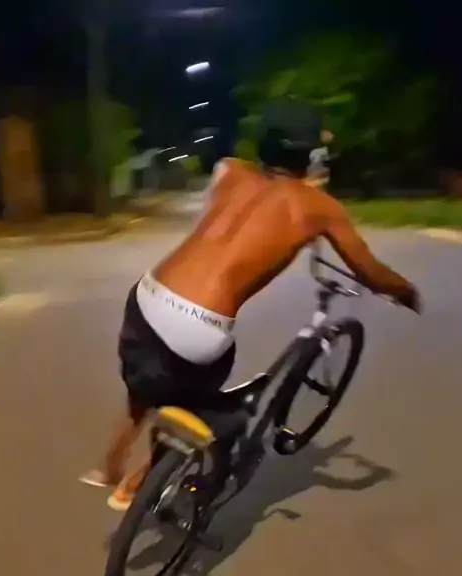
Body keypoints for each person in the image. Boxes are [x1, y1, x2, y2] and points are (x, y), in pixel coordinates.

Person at [81, 97, 421, 511]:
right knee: (205, 412)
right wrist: (406, 293)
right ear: (311, 156)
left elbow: (245, 205)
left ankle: (109, 467)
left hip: (145, 299)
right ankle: (137, 485)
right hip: (196, 329)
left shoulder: (229, 171)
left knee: (146, 383)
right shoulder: (319, 208)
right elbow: (372, 272)